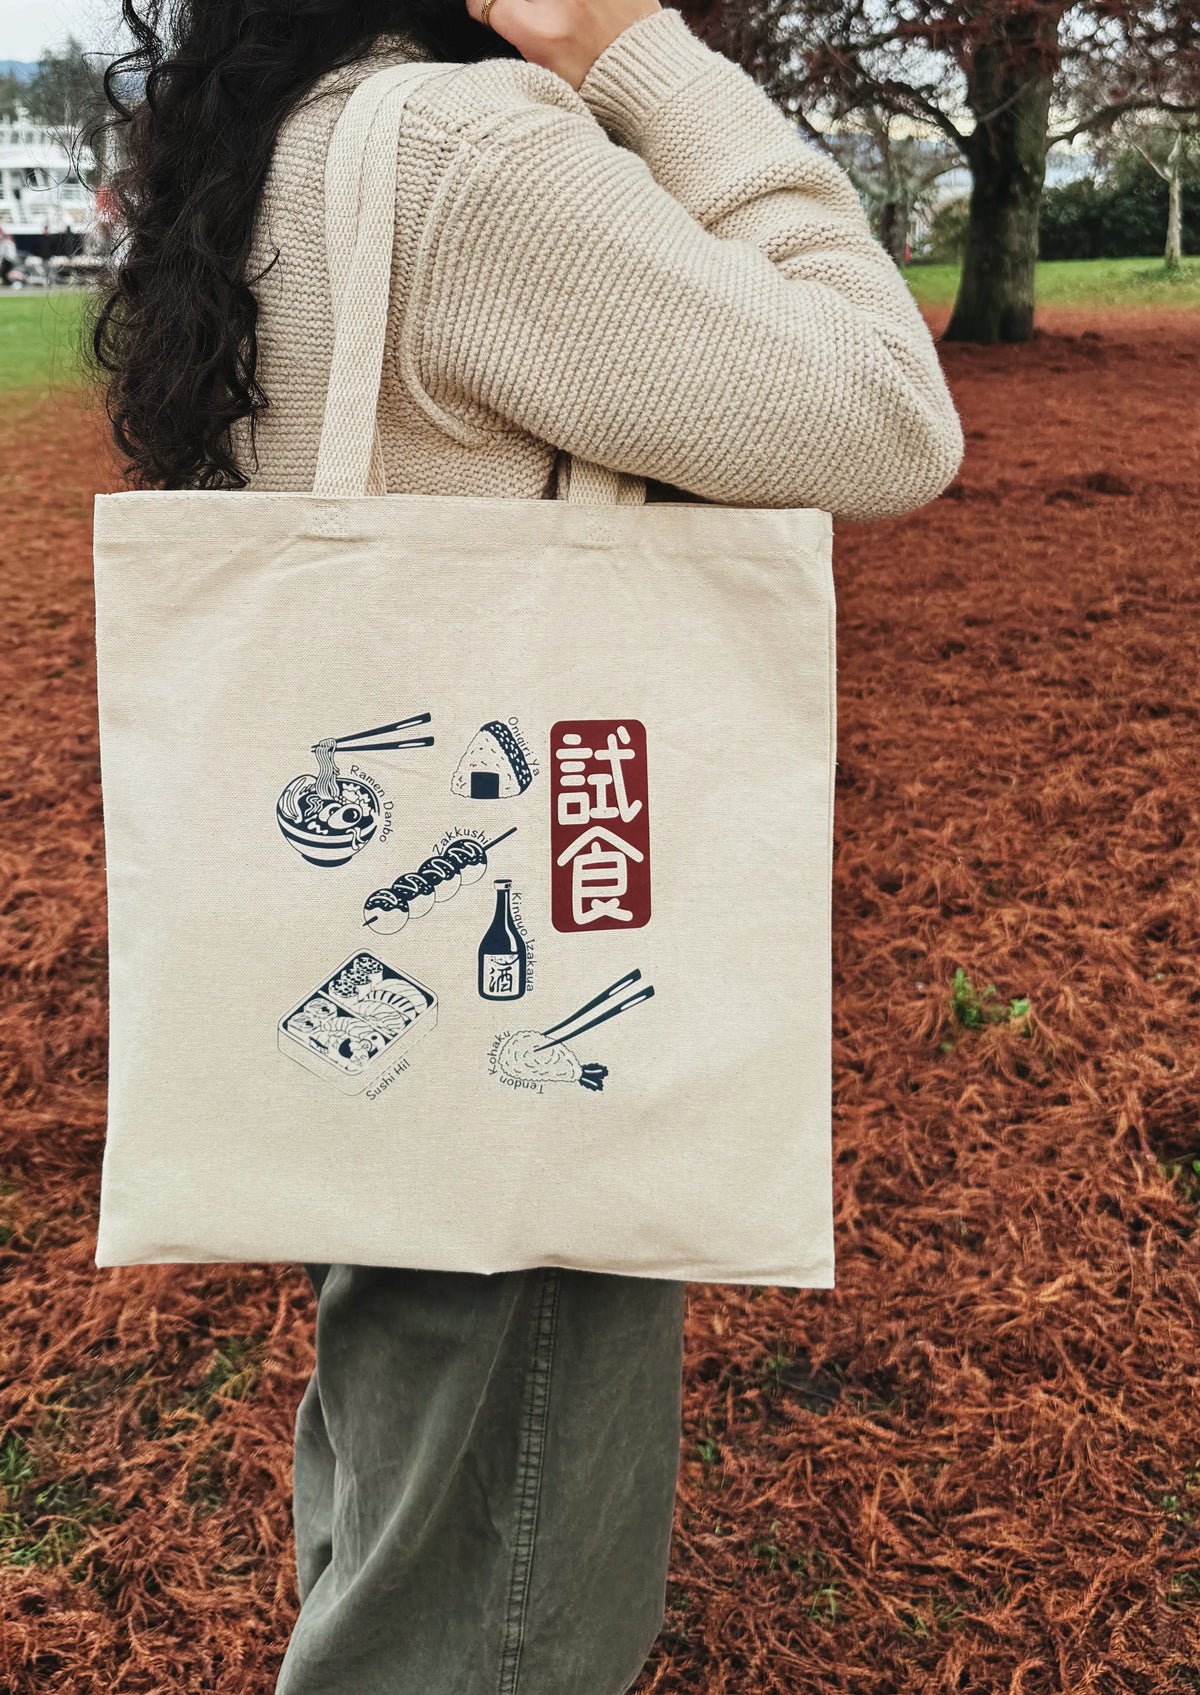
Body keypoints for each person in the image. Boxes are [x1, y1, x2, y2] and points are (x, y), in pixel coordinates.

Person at [94, 2, 961, 1691]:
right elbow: (883, 413)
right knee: (496, 1595)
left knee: (415, 1486)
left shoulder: (304, 130)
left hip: (400, 952)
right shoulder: (471, 153)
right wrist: (643, 54)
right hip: (537, 985)